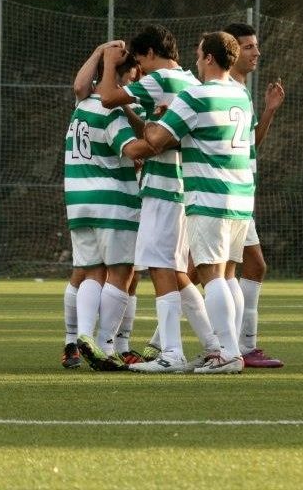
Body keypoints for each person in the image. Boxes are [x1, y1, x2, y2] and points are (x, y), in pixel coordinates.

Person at [124, 31, 255, 373]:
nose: (195, 61)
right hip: (242, 195)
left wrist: (152, 119)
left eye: (199, 55)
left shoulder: (196, 96)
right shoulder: (242, 95)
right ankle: (224, 350)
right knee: (226, 275)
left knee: (211, 274)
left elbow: (156, 140)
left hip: (209, 195)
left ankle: (227, 353)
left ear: (209, 58)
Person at [97, 25, 217, 373]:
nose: (139, 69)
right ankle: (213, 346)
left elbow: (106, 96)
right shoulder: (192, 84)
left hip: (164, 189)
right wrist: (137, 115)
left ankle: (172, 354)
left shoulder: (162, 79)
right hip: (182, 186)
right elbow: (158, 132)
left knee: (161, 268)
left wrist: (108, 62)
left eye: (140, 61)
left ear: (150, 54)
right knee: (177, 273)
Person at [64, 43, 145, 372]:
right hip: (113, 201)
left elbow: (81, 84)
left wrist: (99, 53)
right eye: (133, 79)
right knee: (122, 272)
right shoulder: (113, 112)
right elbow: (130, 148)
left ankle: (84, 336)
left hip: (78, 201)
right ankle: (108, 345)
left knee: (92, 273)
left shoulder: (82, 105)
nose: (135, 86)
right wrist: (162, 141)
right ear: (120, 78)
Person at [220, 22, 286, 368]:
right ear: (230, 52)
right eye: (248, 47)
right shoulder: (221, 89)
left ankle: (239, 346)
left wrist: (270, 110)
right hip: (223, 196)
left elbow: (250, 146)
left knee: (243, 268)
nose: (256, 52)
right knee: (206, 272)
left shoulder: (241, 91)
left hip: (240, 196)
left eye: (256, 46)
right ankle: (231, 347)